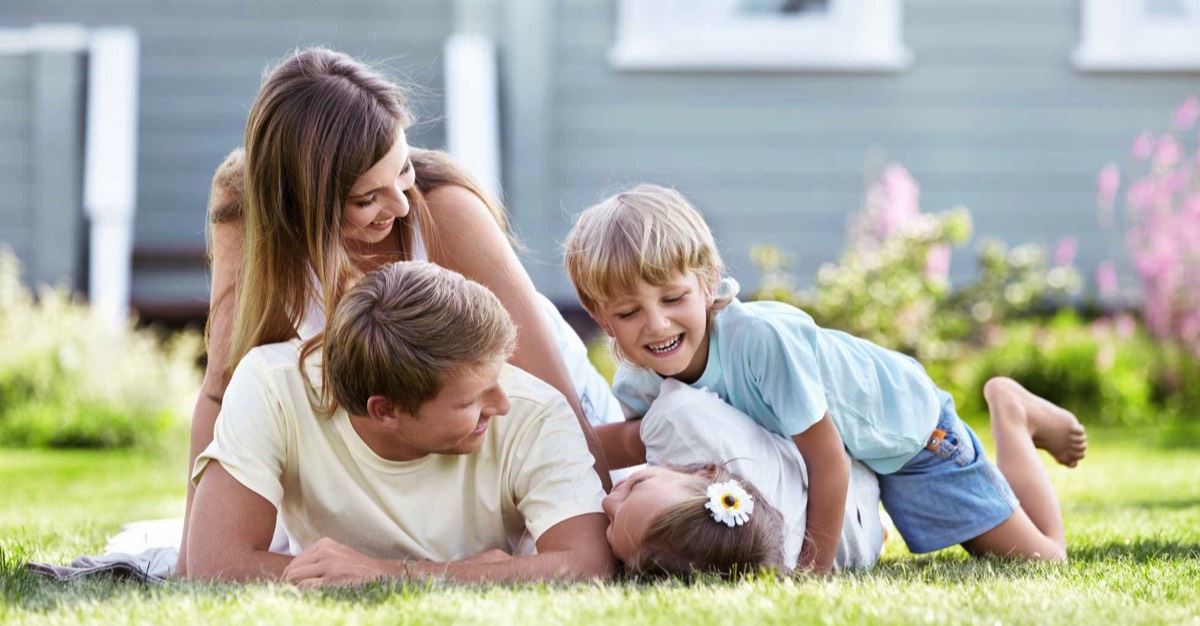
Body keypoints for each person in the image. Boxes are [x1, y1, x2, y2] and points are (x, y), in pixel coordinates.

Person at [180, 47, 619, 575]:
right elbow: (220, 387)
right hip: (404, 434)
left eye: (403, 169)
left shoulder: (443, 210)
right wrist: (192, 554)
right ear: (301, 203)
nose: (401, 205)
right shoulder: (245, 214)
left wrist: (599, 528)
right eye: (367, 198)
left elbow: (549, 396)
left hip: (524, 396)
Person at [564, 184, 1088, 573]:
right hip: (850, 448)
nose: (656, 325)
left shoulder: (759, 343)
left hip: (906, 431)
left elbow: (828, 460)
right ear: (601, 316)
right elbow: (627, 446)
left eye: (673, 299)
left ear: (706, 284)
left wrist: (813, 575)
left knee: (1039, 558)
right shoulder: (640, 377)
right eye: (629, 313)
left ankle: (1012, 411)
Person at [187, 261, 615, 585]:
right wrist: (471, 575)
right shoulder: (272, 385)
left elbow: (589, 562)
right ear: (385, 411)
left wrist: (386, 572)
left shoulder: (535, 411)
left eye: (497, 376)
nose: (501, 404)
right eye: (471, 399)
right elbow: (215, 563)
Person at [598, 379, 886, 576]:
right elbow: (611, 444)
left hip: (861, 534)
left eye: (609, 528)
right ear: (705, 471)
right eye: (636, 483)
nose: (607, 502)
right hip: (856, 508)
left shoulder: (678, 421)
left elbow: (605, 445)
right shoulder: (684, 420)